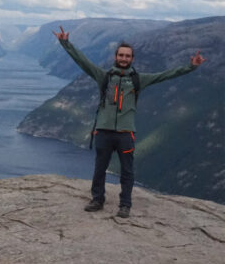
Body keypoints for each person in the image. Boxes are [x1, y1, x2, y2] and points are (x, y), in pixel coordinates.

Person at [53, 26, 205, 218]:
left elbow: (166, 75)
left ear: (132, 59)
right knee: (100, 168)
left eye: (127, 56)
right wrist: (65, 43)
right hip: (104, 132)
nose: (124, 58)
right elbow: (83, 62)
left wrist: (191, 67)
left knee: (127, 170)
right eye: (121, 55)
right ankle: (97, 199)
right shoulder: (104, 77)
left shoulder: (138, 79)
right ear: (116, 57)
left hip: (125, 133)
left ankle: (125, 204)